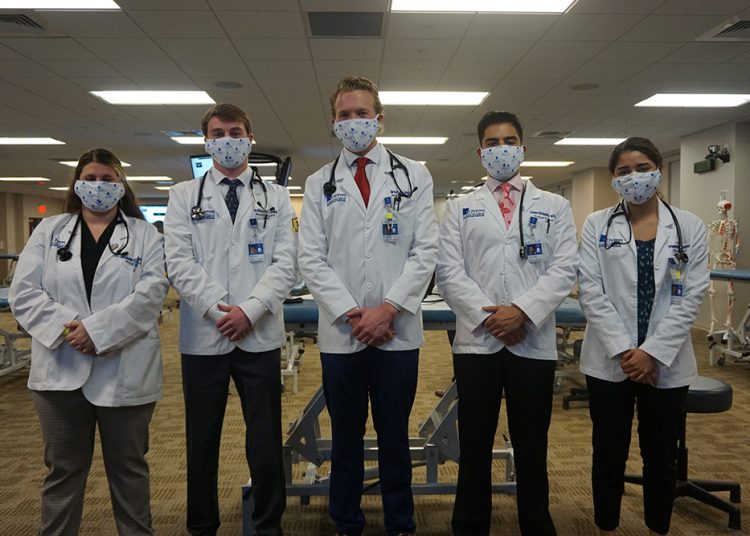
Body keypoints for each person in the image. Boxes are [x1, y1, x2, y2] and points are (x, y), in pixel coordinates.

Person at [298, 76, 438, 536]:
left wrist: (388, 308)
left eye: (362, 113)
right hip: (343, 334)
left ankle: (401, 523)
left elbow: (425, 250)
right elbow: (311, 258)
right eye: (345, 114)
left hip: (397, 332)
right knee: (346, 439)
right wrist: (352, 312)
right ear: (333, 122)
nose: (354, 121)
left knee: (395, 436)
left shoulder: (413, 174)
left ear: (379, 119)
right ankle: (346, 522)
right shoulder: (318, 183)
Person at [9, 148, 168, 535]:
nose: (99, 186)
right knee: (63, 472)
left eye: (108, 179)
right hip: (60, 373)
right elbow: (24, 292)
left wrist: (97, 331)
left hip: (125, 370)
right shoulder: (50, 231)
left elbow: (151, 294)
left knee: (129, 472)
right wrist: (71, 329)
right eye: (91, 178)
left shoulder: (145, 234)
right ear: (77, 184)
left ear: (121, 184)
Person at [436, 111, 578, 536]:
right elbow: (448, 272)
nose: (502, 149)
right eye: (493, 143)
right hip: (478, 341)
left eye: (509, 141)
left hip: (531, 339)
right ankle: (469, 526)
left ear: (523, 148)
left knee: (532, 442)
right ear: (480, 152)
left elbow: (564, 269)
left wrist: (523, 311)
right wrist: (492, 317)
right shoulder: (460, 208)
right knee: (475, 442)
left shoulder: (554, 206)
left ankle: (536, 525)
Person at [164, 103, 297, 536]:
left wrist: (250, 311)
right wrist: (219, 309)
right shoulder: (184, 196)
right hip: (204, 336)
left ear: (250, 138)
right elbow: (178, 262)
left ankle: (268, 524)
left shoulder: (276, 197)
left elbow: (286, 264)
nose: (227, 140)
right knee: (202, 439)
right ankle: (202, 525)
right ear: (206, 142)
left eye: (235, 132)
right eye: (217, 133)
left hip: (259, 335)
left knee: (265, 438)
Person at [577, 137, 709, 536]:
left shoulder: (689, 226)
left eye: (643, 168)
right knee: (608, 453)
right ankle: (606, 527)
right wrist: (625, 350)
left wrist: (651, 352)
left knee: (661, 455)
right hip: (610, 359)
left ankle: (657, 529)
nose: (634, 177)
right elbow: (591, 291)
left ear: (659, 170)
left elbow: (690, 296)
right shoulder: (597, 224)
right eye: (624, 171)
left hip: (665, 361)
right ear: (613, 178)